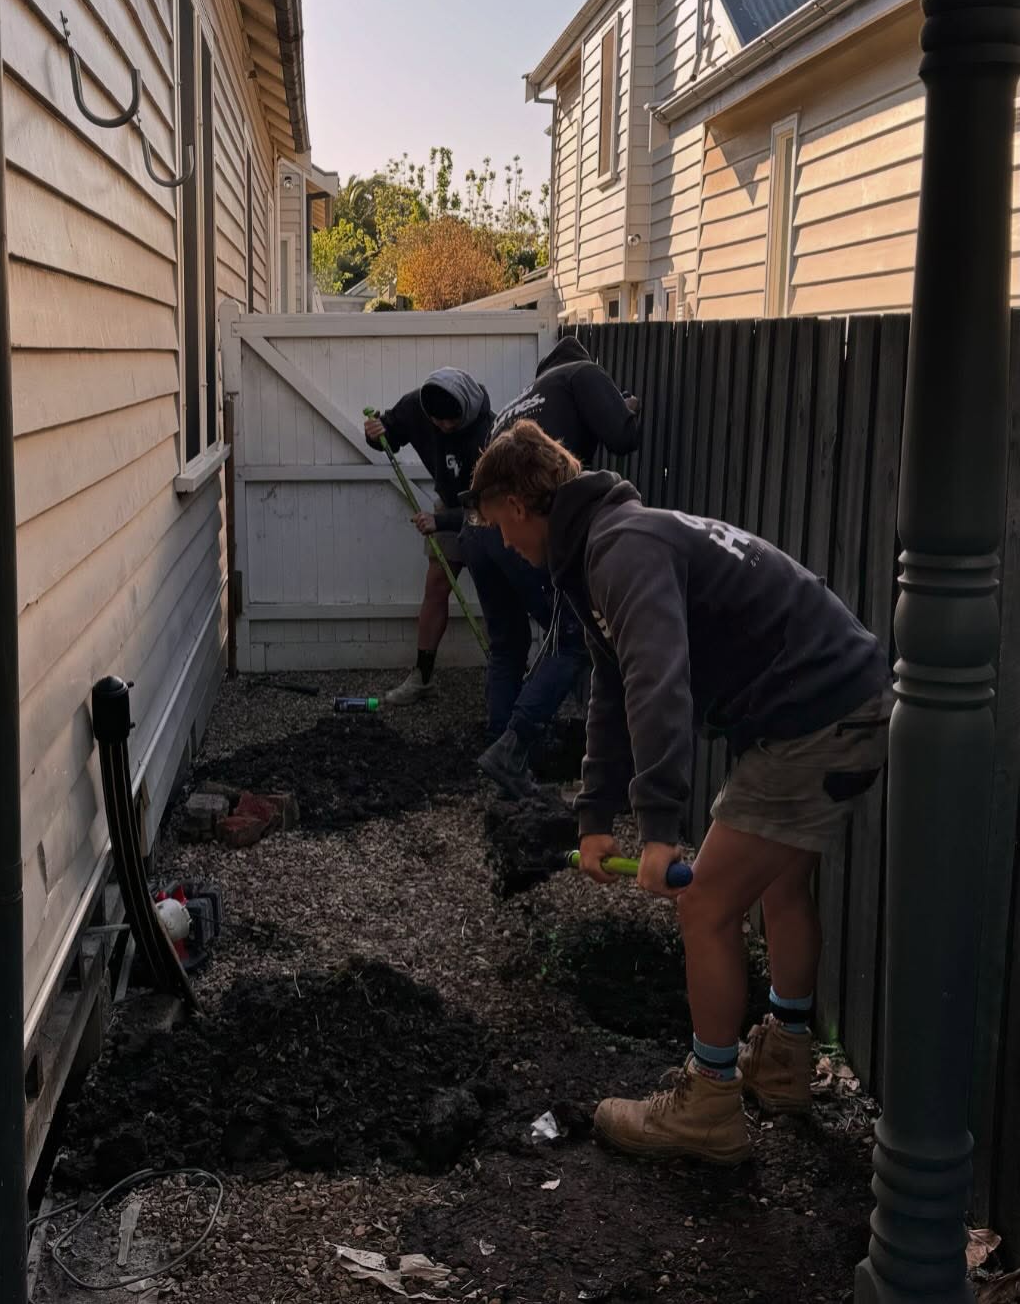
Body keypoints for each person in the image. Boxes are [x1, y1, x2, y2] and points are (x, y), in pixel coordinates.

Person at [465, 420, 891, 1164]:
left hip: (816, 720)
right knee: (781, 884)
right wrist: (595, 817)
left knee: (703, 905)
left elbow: (657, 682)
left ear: (522, 502)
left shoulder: (621, 549)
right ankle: (785, 1061)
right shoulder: (614, 540)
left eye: (498, 523)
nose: (501, 543)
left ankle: (707, 1104)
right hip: (835, 702)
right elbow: (611, 684)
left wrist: (657, 829)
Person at [467, 337, 642, 800]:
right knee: (573, 639)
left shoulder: (525, 401)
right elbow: (624, 438)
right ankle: (512, 750)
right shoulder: (582, 375)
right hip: (518, 523)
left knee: (507, 644)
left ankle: (500, 753)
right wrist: (624, 406)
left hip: (480, 531)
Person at [363, 369, 491, 705]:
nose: (444, 428)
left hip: (489, 515)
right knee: (435, 587)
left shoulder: (489, 430)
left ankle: (505, 673)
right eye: (438, 422)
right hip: (449, 505)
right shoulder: (415, 407)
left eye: (452, 422)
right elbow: (385, 435)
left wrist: (441, 521)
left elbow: (489, 506)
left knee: (496, 590)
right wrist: (376, 433)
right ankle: (422, 678)